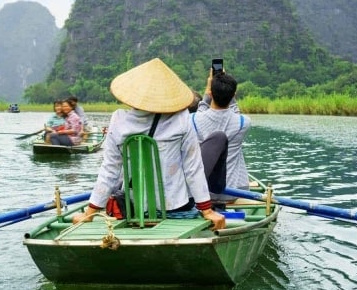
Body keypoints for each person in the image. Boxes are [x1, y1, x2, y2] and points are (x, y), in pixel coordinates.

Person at [72, 58, 225, 231]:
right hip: (176, 206)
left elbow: (110, 170)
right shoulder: (182, 119)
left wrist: (89, 213)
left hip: (133, 207)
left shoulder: (119, 120)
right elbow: (193, 167)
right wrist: (207, 210)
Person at [192, 69, 251, 206]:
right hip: (232, 194)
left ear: (210, 93)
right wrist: (229, 92)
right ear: (233, 95)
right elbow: (235, 112)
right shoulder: (244, 123)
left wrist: (208, 91)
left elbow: (201, 110)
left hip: (203, 194)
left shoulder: (193, 120)